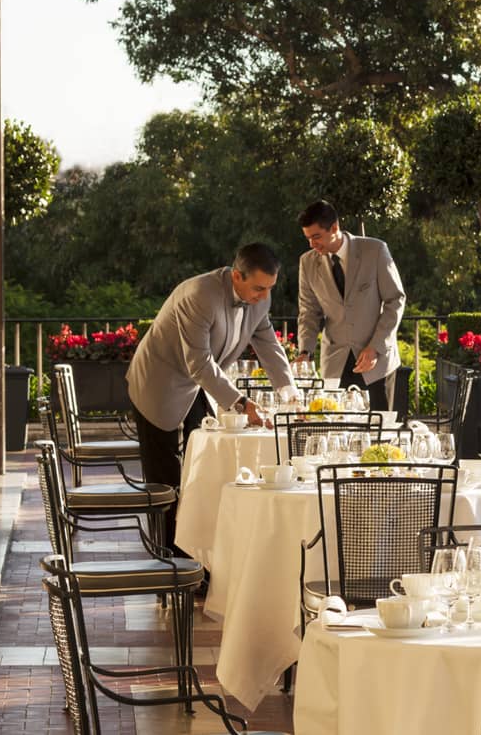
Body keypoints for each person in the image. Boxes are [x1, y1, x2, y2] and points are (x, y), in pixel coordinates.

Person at [127, 243, 295, 552]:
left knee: (200, 469)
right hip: (159, 383)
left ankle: (197, 552)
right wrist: (243, 404)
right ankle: (170, 561)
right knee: (166, 478)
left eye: (269, 288)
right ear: (236, 276)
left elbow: (269, 344)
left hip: (196, 386)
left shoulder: (259, 299)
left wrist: (289, 392)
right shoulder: (199, 296)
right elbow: (200, 364)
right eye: (258, 288)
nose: (263, 296)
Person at [295, 200, 406, 410]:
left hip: (377, 362)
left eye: (316, 236)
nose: (312, 244)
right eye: (308, 238)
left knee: (381, 432)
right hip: (335, 363)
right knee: (337, 433)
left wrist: (376, 346)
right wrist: (305, 352)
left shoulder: (375, 250)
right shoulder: (307, 262)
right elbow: (309, 312)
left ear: (334, 228)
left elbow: (395, 300)